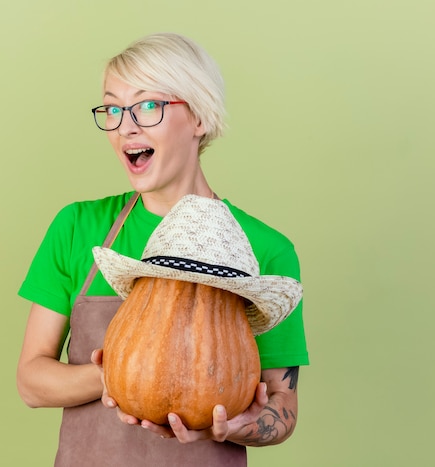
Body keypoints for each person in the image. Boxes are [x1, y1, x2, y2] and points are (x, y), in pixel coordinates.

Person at [16, 32, 309, 466]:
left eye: (148, 105)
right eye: (113, 108)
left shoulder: (267, 249)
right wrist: (128, 374)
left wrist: (229, 426)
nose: (125, 126)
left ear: (199, 118)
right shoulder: (78, 227)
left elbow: (282, 405)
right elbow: (31, 381)